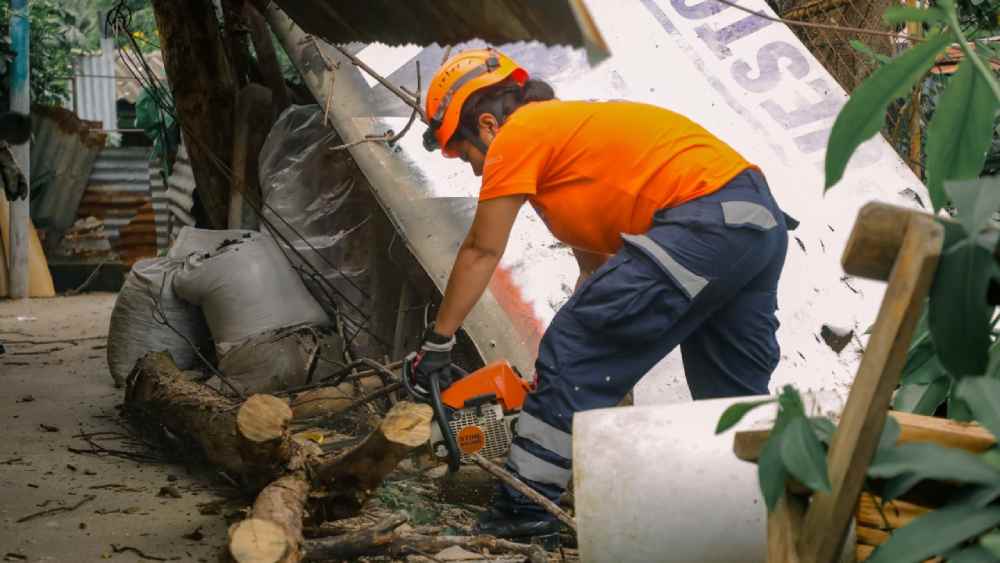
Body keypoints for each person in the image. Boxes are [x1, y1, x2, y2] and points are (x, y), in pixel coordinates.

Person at [408, 49, 794, 540]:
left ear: (487, 124)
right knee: (729, 400)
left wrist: (439, 341)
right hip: (753, 223)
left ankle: (520, 519)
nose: (473, 169)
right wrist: (589, 385)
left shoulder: (520, 134)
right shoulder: (570, 145)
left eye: (466, 153)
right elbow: (601, 273)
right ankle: (764, 529)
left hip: (706, 219)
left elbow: (482, 250)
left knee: (575, 348)